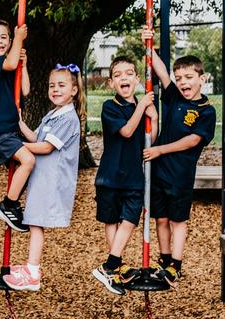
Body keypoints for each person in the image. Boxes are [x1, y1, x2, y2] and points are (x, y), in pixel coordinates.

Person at [142, 27, 216, 286]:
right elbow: (161, 72)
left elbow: (193, 140)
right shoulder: (173, 97)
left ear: (202, 78)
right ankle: (164, 261)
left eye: (188, 77)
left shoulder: (206, 111)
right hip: (159, 172)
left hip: (180, 177)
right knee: (160, 219)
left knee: (177, 221)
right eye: (179, 77)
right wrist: (149, 45)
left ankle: (176, 265)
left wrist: (160, 149)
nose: (183, 82)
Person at [3, 63, 84, 291]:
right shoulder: (53, 114)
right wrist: (18, 122)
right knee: (33, 222)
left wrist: (17, 146)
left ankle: (33, 273)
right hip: (42, 179)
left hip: (52, 181)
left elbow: (46, 147)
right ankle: (31, 267)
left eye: (61, 85)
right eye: (52, 86)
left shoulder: (68, 119)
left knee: (36, 224)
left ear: (74, 90)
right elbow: (36, 136)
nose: (55, 90)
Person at [92, 56, 158, 296]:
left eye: (129, 73)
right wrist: (142, 107)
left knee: (130, 218)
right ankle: (115, 268)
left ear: (137, 79)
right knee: (112, 221)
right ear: (111, 83)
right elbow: (128, 131)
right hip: (110, 176)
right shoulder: (111, 107)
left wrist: (155, 116)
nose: (124, 78)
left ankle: (110, 266)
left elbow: (151, 138)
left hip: (133, 177)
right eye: (118, 75)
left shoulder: (141, 106)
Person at [0, 19, 33, 232]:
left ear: (9, 41)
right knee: (28, 160)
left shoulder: (9, 64)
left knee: (27, 166)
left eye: (4, 37)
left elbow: (25, 90)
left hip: (11, 128)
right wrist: (20, 38)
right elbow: (9, 64)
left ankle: (13, 204)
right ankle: (8, 204)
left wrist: (24, 65)